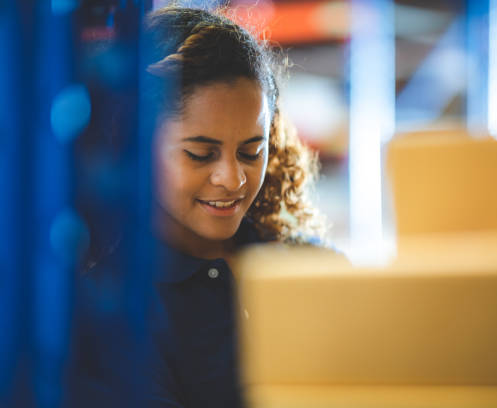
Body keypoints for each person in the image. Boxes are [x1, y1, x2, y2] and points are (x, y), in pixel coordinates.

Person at [69, 5, 325, 408]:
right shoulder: (114, 312)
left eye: (250, 152)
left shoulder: (312, 266)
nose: (233, 178)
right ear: (131, 148)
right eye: (200, 154)